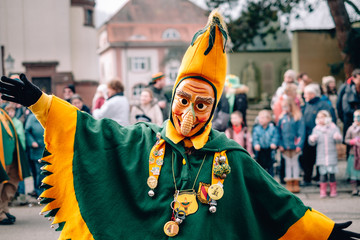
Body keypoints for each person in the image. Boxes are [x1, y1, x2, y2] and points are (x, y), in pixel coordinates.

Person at [0, 9, 359, 239]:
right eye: (183, 100)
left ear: (214, 106)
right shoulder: (142, 140)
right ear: (172, 98)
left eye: (202, 104)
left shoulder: (230, 156)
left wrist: (324, 231)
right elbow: (93, 134)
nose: (189, 112)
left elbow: (277, 202)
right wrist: (41, 102)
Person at [300, 83, 336, 186]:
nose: (304, 95)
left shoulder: (323, 105)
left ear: (312, 94)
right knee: (307, 158)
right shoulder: (306, 104)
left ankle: (321, 179)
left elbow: (330, 119)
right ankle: (307, 178)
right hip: (308, 136)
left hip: (321, 137)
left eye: (306, 94)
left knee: (319, 158)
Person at [0, 105, 29, 225]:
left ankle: (4, 209)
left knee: (11, 184)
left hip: (11, 157)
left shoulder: (3, 113)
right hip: (1, 159)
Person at [308, 110, 342, 198]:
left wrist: (337, 137)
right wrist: (312, 139)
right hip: (321, 156)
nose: (320, 119)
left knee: (332, 174)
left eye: (322, 117)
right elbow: (312, 143)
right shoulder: (316, 129)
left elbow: (339, 140)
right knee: (322, 175)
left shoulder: (333, 128)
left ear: (327, 118)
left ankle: (333, 190)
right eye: (318, 118)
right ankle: (322, 190)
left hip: (331, 155)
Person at [277, 98, 305, 193]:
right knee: (288, 164)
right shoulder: (282, 118)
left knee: (295, 163)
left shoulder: (297, 117)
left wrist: (299, 145)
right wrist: (280, 144)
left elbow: (301, 132)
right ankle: (289, 182)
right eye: (283, 107)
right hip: (285, 146)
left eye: (286, 106)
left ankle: (296, 182)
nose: (284, 108)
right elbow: (279, 133)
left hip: (295, 145)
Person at [25, 111, 46, 198]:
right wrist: (32, 141)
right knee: (40, 172)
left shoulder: (48, 115)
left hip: (49, 149)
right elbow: (27, 131)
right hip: (37, 150)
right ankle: (40, 192)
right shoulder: (32, 117)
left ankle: (49, 192)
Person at [252, 110, 279, 177]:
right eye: (260, 117)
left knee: (270, 167)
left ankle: (271, 181)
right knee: (260, 167)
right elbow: (255, 137)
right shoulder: (256, 128)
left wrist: (274, 143)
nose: (261, 119)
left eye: (263, 118)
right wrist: (256, 144)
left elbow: (275, 136)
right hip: (260, 151)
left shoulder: (272, 128)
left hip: (269, 151)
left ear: (268, 119)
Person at [344, 109, 360, 196]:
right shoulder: (351, 128)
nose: (356, 119)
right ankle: (354, 189)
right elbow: (346, 139)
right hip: (354, 154)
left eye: (358, 117)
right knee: (353, 173)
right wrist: (352, 141)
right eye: (355, 117)